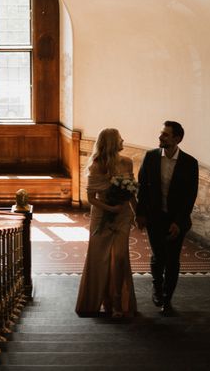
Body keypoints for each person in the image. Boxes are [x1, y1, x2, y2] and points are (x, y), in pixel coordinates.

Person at [136, 120, 198, 315]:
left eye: (165, 135)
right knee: (158, 256)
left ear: (177, 139)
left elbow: (190, 196)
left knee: (172, 260)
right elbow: (142, 187)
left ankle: (167, 298)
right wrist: (140, 213)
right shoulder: (151, 157)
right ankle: (157, 287)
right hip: (155, 217)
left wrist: (178, 223)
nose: (160, 137)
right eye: (161, 133)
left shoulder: (190, 163)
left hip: (176, 222)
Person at [75, 128, 137, 319]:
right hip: (102, 216)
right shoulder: (96, 166)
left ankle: (118, 300)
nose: (123, 140)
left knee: (119, 256)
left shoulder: (127, 162)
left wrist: (137, 213)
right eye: (119, 138)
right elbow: (91, 198)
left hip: (123, 215)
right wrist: (110, 209)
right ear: (111, 142)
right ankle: (101, 299)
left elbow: (131, 191)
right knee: (99, 257)